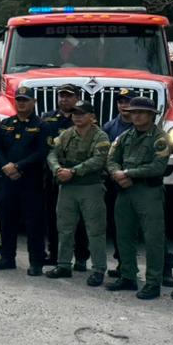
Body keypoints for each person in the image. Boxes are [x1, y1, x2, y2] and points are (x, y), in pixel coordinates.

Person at [106, 97, 172, 297]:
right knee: (124, 235)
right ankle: (128, 276)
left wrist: (128, 173)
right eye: (134, 112)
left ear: (152, 115)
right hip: (125, 190)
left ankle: (153, 282)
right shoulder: (125, 136)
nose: (136, 115)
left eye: (141, 112)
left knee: (153, 238)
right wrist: (117, 174)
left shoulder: (160, 138)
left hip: (148, 191)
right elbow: (111, 159)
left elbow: (158, 166)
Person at [45, 101, 110, 279]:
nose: (77, 116)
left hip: (90, 186)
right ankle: (63, 265)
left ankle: (98, 269)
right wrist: (57, 169)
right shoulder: (66, 134)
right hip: (68, 187)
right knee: (64, 228)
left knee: (95, 230)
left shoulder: (100, 136)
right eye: (75, 113)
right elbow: (52, 153)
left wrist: (73, 171)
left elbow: (99, 160)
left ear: (92, 117)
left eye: (82, 113)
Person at [0, 86, 46, 273]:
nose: (21, 103)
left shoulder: (41, 125)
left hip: (30, 181)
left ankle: (36, 262)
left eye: (25, 100)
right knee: (7, 221)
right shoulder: (6, 124)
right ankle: (7, 257)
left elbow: (41, 152)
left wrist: (18, 166)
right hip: (8, 180)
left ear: (34, 102)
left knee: (33, 223)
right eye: (19, 100)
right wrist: (6, 166)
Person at [43, 84, 90, 270]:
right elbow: (46, 148)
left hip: (77, 178)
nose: (64, 99)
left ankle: (81, 257)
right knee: (53, 217)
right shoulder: (47, 118)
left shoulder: (83, 118)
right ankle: (54, 254)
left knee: (80, 221)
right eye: (61, 96)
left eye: (69, 96)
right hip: (54, 176)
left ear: (77, 98)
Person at [101, 89, 134, 274]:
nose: (124, 105)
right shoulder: (109, 127)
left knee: (148, 228)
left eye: (128, 101)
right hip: (115, 182)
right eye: (121, 101)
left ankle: (165, 269)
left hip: (137, 182)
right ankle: (123, 263)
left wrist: (129, 174)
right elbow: (104, 155)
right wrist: (115, 174)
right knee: (116, 224)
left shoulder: (143, 125)